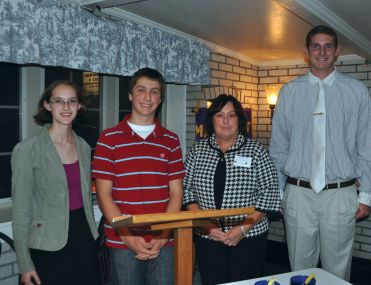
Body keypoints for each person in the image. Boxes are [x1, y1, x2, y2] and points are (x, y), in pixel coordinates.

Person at [269, 25, 371, 281]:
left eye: (328, 45)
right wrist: (278, 194)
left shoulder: (356, 92)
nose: (322, 51)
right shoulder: (289, 92)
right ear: (307, 51)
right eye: (316, 46)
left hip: (341, 195)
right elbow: (279, 149)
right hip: (298, 194)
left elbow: (365, 146)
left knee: (337, 271)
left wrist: (366, 195)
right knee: (299, 269)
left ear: (337, 50)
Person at [92, 67, 184, 285]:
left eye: (154, 91)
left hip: (164, 239)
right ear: (131, 95)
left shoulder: (171, 140)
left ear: (160, 98)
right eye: (141, 90)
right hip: (122, 240)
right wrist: (127, 235)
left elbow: (176, 192)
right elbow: (104, 195)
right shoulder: (108, 139)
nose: (147, 97)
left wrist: (163, 233)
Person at [183, 94, 281, 285]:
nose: (226, 121)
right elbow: (186, 189)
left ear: (239, 120)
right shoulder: (198, 150)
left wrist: (242, 228)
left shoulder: (256, 151)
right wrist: (206, 225)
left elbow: (270, 192)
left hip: (248, 237)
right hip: (208, 237)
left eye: (231, 115)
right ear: (211, 120)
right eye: (220, 115)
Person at [11, 81, 99, 285]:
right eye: (59, 101)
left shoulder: (84, 147)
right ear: (47, 106)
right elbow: (21, 213)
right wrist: (25, 265)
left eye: (72, 101)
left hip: (84, 240)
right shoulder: (27, 150)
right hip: (47, 246)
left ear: (79, 106)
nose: (66, 107)